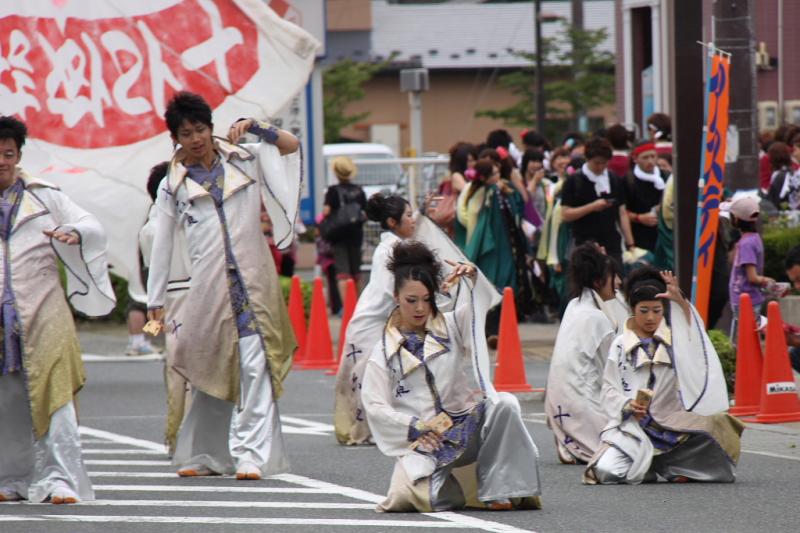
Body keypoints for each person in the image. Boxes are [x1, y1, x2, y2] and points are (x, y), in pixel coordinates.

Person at [146, 91, 300, 480]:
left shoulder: (245, 158)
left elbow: (290, 146)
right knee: (211, 368)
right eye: (186, 133)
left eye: (200, 129)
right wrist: (154, 300)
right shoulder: (172, 185)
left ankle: (251, 454)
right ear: (175, 139)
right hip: (209, 288)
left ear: (211, 128)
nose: (195, 138)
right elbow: (162, 243)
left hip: (253, 283)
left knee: (255, 365)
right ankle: (207, 453)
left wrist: (259, 126)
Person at [361, 241, 542, 512]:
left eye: (427, 299)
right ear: (395, 296)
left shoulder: (451, 324)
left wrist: (473, 279)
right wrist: (413, 426)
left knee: (505, 404)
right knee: (406, 499)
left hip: (467, 425)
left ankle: (498, 490)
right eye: (411, 300)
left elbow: (477, 310)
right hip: (427, 441)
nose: (420, 308)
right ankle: (459, 489)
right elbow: (374, 405)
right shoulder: (384, 352)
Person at [0, 115, 115, 503]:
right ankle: (12, 479)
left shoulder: (45, 196)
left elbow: (92, 225)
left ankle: (60, 478)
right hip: (3, 318)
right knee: (8, 399)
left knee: (58, 398)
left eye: (8, 153)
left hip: (45, 310)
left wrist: (75, 234)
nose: (1, 160)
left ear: (18, 155)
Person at [585, 267, 744, 485]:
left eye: (657, 310)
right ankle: (648, 465)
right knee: (606, 471)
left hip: (672, 424)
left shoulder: (675, 338)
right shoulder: (621, 344)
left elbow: (695, 337)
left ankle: (666, 464)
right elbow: (608, 389)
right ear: (632, 309)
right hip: (635, 426)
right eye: (643, 310)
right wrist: (627, 404)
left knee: (720, 428)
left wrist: (679, 300)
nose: (650, 317)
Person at [334, 194, 416, 445]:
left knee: (382, 376)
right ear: (393, 222)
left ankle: (377, 429)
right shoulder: (390, 251)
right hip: (370, 324)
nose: (413, 221)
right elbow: (386, 292)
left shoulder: (395, 247)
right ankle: (362, 432)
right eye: (409, 216)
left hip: (378, 321)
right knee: (365, 378)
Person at [545, 244, 628, 464]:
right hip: (581, 404)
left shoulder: (574, 305)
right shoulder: (598, 319)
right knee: (627, 447)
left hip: (555, 404)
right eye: (614, 276)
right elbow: (610, 375)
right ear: (598, 281)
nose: (619, 282)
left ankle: (569, 442)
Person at [138, 161, 192, 456]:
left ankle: (178, 435)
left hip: (169, 301)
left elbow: (150, 271)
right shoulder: (185, 218)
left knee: (176, 371)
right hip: (192, 294)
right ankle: (195, 436)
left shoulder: (148, 228)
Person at [560, 137, 635, 267]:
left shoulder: (614, 179)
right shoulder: (574, 181)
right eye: (597, 163)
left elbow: (622, 213)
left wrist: (630, 243)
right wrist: (591, 207)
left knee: (615, 281)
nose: (601, 166)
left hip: (611, 242)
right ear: (587, 159)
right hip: (584, 244)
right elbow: (565, 214)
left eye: (605, 163)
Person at [728, 195, 773, 341]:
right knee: (751, 340)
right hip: (750, 300)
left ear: (736, 219)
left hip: (745, 301)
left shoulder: (746, 244)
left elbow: (752, 277)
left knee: (739, 344)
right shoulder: (754, 238)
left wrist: (767, 281)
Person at [323, 156, 368, 299]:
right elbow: (365, 213)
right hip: (356, 235)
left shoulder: (333, 191)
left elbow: (326, 212)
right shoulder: (359, 191)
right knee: (356, 273)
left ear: (336, 173)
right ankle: (358, 306)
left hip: (339, 236)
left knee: (343, 274)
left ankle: (347, 308)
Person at [624, 141, 668, 253]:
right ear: (635, 158)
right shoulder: (628, 181)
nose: (650, 161)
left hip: (664, 236)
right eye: (645, 157)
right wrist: (639, 218)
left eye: (653, 156)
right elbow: (621, 212)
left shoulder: (666, 176)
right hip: (640, 237)